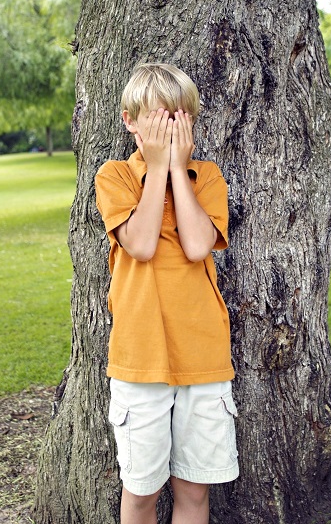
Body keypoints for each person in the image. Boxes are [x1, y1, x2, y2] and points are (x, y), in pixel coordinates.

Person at [95, 63, 238, 524]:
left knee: (195, 493)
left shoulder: (207, 176)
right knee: (140, 493)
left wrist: (178, 169)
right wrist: (156, 168)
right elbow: (139, 243)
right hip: (140, 357)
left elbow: (198, 246)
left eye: (178, 120)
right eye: (158, 121)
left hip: (202, 354)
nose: (169, 131)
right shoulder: (114, 176)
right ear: (130, 120)